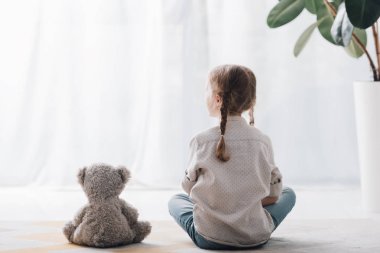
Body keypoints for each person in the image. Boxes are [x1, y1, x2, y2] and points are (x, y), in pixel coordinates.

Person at [168, 64, 296, 250]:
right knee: (288, 194)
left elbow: (188, 187)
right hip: (255, 236)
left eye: (206, 90)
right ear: (250, 102)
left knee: (176, 200)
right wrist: (246, 203)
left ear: (218, 99)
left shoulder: (201, 141)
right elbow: (274, 193)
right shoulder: (262, 141)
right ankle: (250, 217)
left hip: (209, 237)